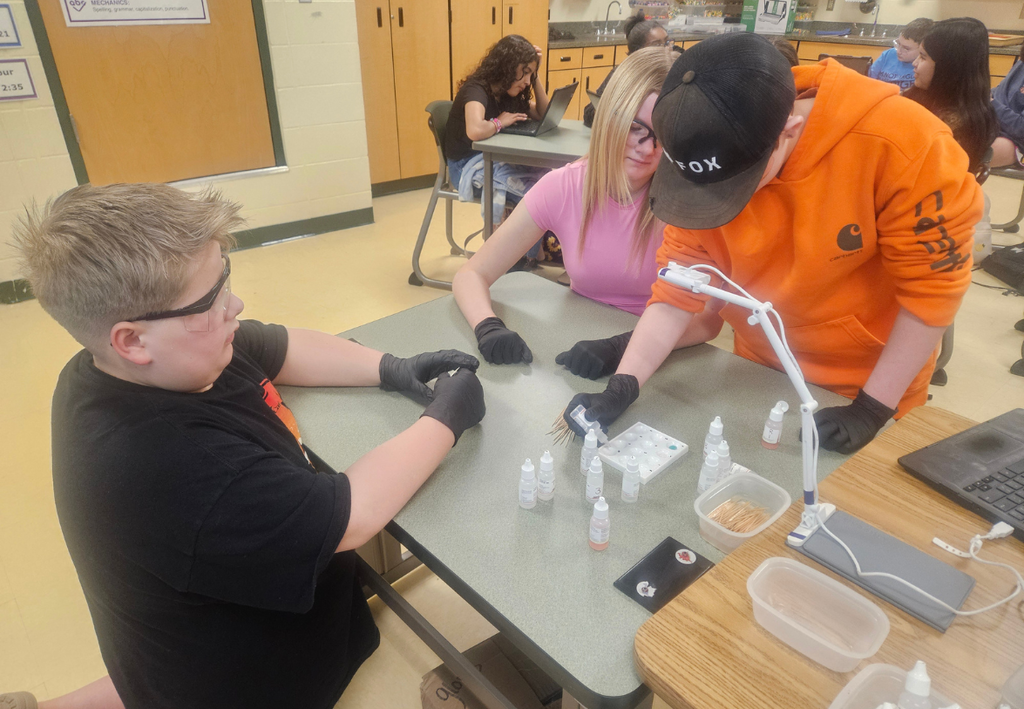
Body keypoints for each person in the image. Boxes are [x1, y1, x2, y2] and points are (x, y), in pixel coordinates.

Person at [1, 184, 486, 709]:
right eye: (210, 300)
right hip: (253, 681)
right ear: (133, 340)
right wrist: (446, 418)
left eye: (224, 278)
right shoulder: (172, 465)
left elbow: (274, 344)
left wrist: (390, 367)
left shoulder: (121, 365)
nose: (234, 304)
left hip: (192, 632)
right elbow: (353, 515)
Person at [561, 33, 981, 454]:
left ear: (788, 131)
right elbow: (677, 292)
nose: (718, 202)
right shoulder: (698, 152)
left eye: (736, 185)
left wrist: (873, 408)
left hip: (870, 382)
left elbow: (932, 294)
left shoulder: (908, 145)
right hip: (759, 370)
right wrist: (624, 384)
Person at [454, 47, 714, 377]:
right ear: (610, 118)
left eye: (664, 135)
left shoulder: (694, 203)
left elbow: (708, 320)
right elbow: (471, 275)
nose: (648, 149)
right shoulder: (564, 187)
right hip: (579, 345)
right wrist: (487, 325)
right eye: (636, 127)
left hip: (665, 359)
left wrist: (624, 346)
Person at [445, 34, 550, 225]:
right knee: (534, 198)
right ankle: (518, 243)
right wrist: (499, 122)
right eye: (525, 72)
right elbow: (475, 130)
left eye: (530, 75)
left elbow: (543, 114)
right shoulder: (476, 89)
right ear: (507, 67)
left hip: (492, 158)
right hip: (465, 166)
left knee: (548, 184)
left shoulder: (508, 91)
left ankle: (528, 243)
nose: (527, 81)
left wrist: (535, 76)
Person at [904, 17, 999, 176]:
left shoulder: (953, 126)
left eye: (923, 56)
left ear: (948, 67)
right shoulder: (928, 96)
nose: (915, 63)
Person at [583, 11, 672, 128]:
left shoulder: (674, 75)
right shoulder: (621, 74)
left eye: (667, 42)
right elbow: (589, 113)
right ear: (637, 51)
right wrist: (607, 112)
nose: (666, 49)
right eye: (657, 45)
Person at [868, 17, 933, 90]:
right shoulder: (887, 55)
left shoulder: (925, 67)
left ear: (922, 49)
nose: (898, 51)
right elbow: (869, 82)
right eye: (898, 44)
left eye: (906, 48)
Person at [989, 41, 1024, 168]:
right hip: (994, 123)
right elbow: (1000, 92)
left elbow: (1021, 128)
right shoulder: (1021, 63)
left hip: (1016, 139)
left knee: (970, 153)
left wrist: (991, 103)